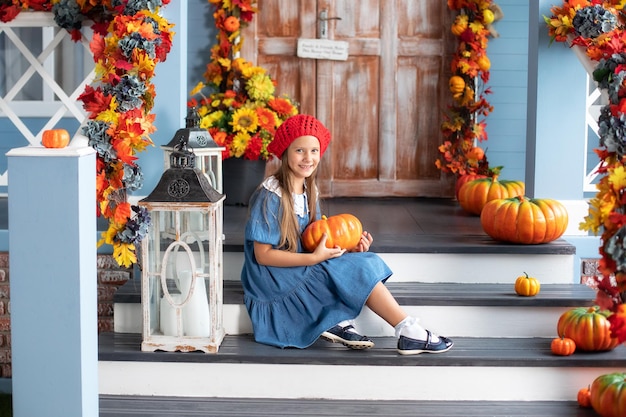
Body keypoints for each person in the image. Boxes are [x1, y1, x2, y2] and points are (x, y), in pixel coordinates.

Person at [240, 114, 453, 355]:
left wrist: (347, 249)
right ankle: (408, 331)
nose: (308, 158)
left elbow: (311, 240)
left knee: (363, 260)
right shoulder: (270, 195)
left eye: (314, 150)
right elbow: (263, 256)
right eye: (299, 150)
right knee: (355, 269)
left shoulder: (309, 189)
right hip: (273, 276)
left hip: (299, 262)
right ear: (286, 152)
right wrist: (314, 259)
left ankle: (395, 328)